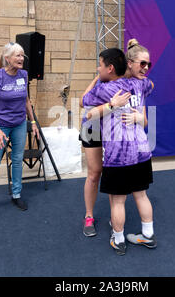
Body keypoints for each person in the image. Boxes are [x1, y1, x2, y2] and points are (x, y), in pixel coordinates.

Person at [82, 42, 156, 255]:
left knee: (117, 201)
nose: (145, 68)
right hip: (142, 151)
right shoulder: (142, 85)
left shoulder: (107, 89)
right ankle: (148, 235)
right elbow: (151, 86)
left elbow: (85, 101)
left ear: (111, 67)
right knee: (141, 195)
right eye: (142, 63)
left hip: (119, 155)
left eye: (148, 64)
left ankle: (119, 239)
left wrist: (110, 101)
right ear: (130, 63)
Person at [0, 42, 39, 220]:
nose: (21, 59)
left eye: (22, 55)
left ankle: (16, 195)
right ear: (7, 58)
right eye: (18, 55)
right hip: (0, 126)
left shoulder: (24, 75)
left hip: (18, 124)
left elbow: (26, 100)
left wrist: (32, 121)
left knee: (17, 160)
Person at [79, 52, 131, 237]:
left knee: (110, 171)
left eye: (99, 65)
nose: (97, 68)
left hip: (111, 131)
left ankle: (115, 216)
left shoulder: (121, 85)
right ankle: (89, 216)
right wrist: (96, 78)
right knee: (94, 173)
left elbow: (82, 101)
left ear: (110, 68)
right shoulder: (102, 85)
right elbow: (82, 103)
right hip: (92, 129)